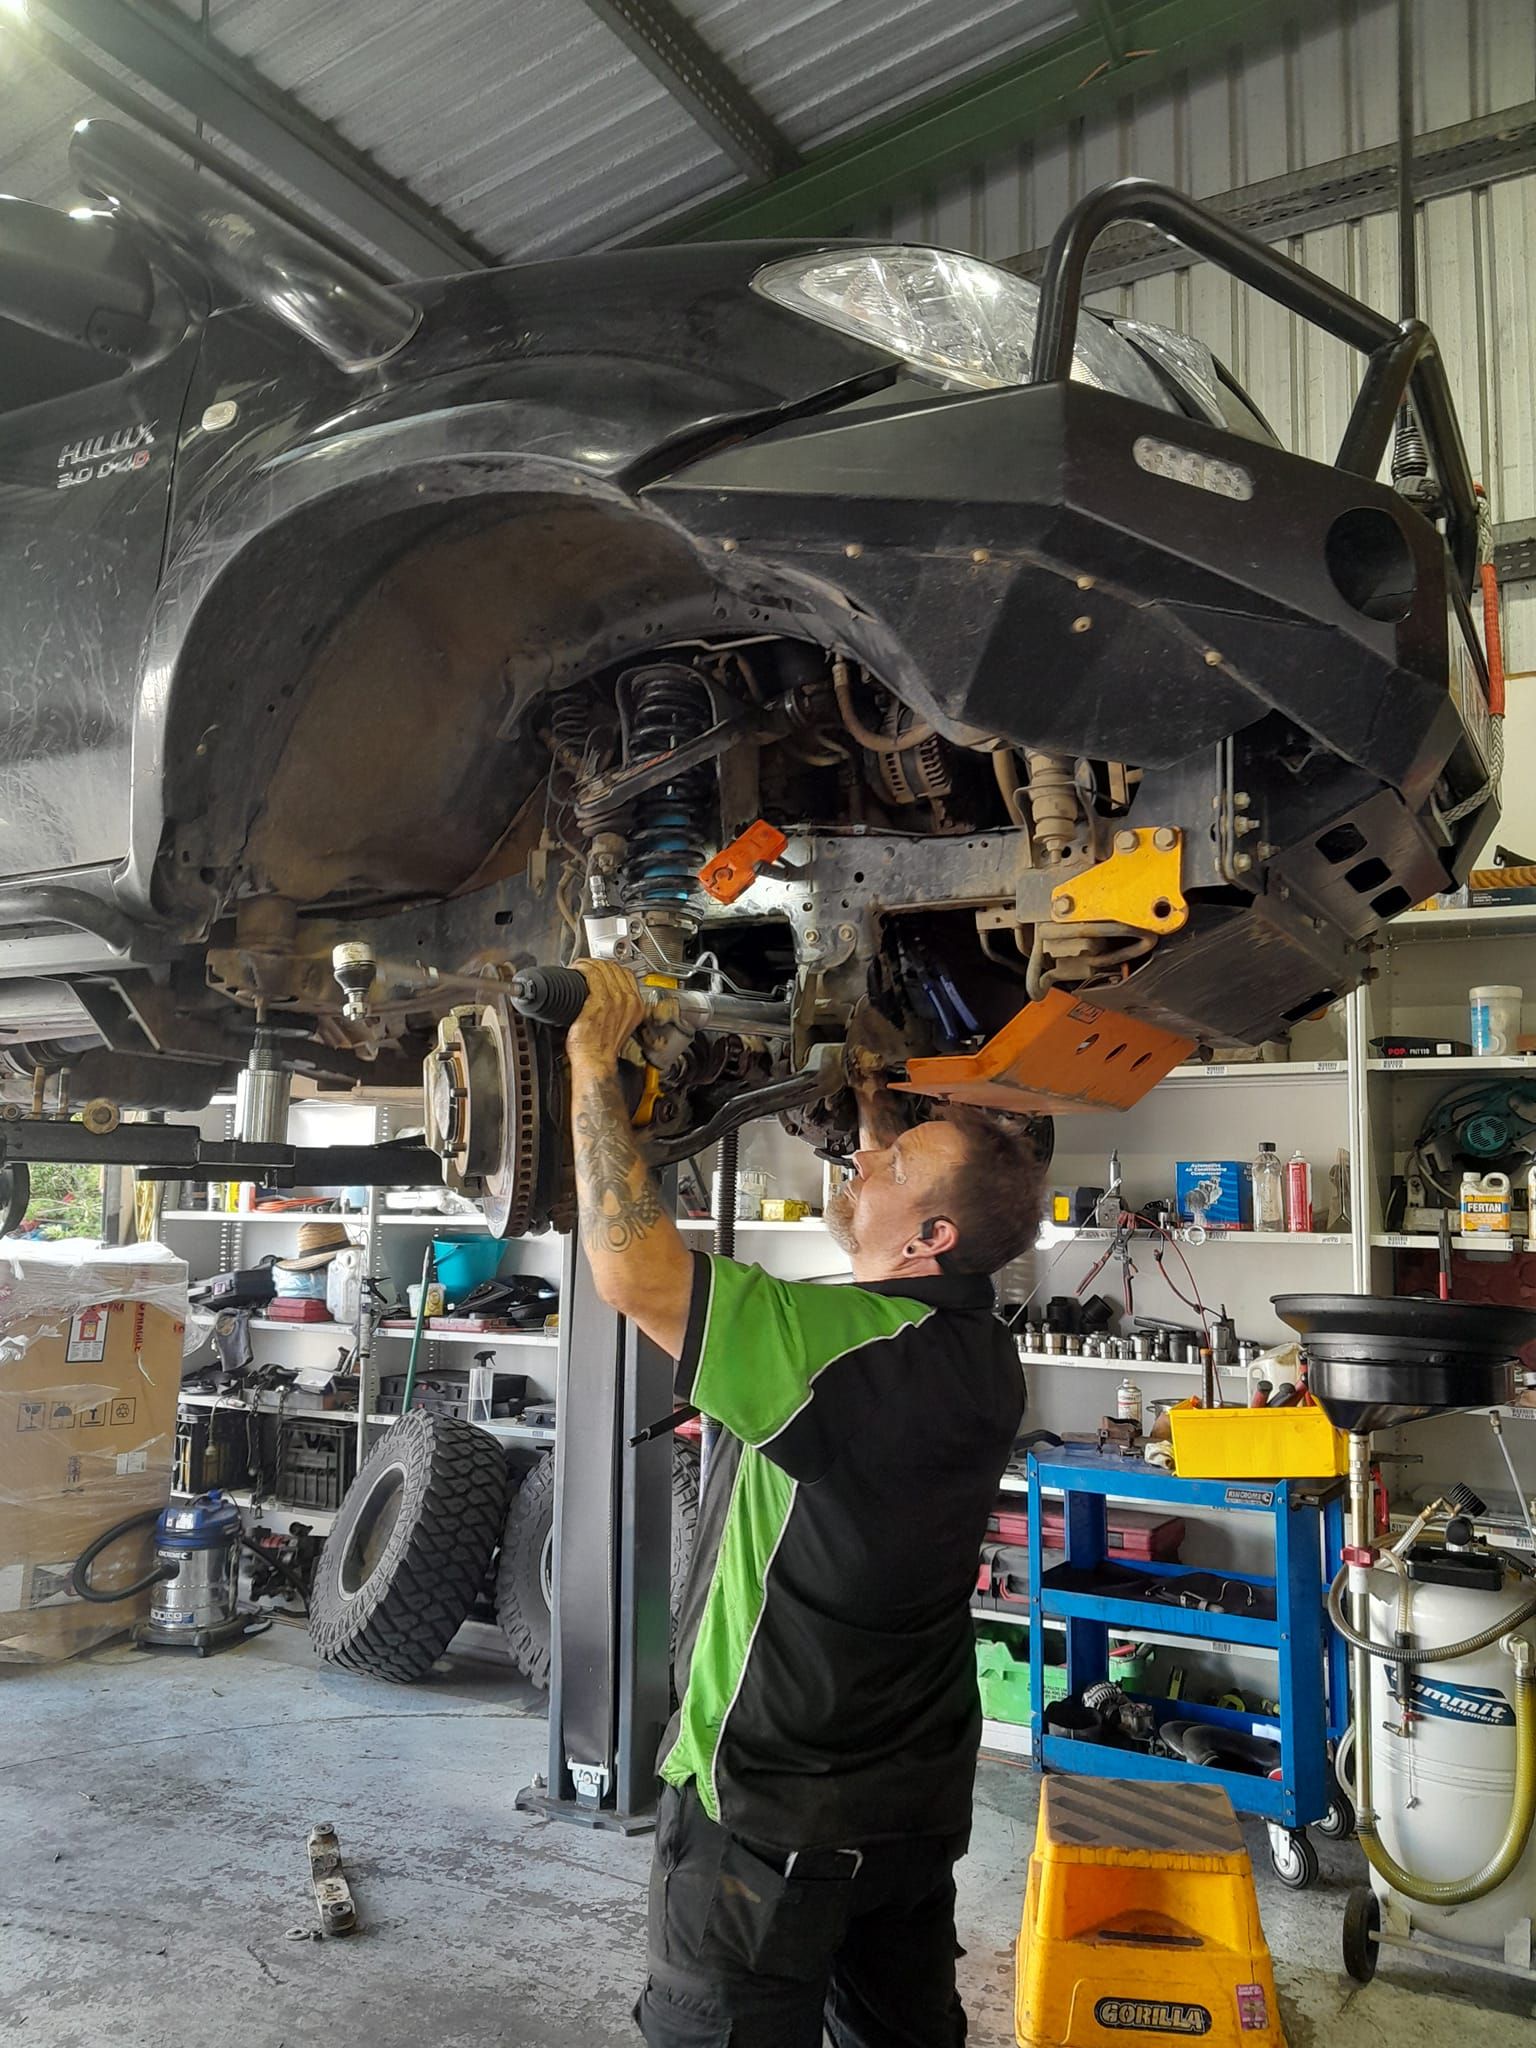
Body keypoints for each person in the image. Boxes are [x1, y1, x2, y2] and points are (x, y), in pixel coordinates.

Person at [566, 960, 1046, 2048]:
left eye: (891, 1162)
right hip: (908, 1816)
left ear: (930, 1240)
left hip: (763, 1827)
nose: (860, 1162)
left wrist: (593, 1063)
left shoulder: (832, 1351)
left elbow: (632, 1271)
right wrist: (875, 1101)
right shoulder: (980, 1350)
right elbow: (878, 1243)